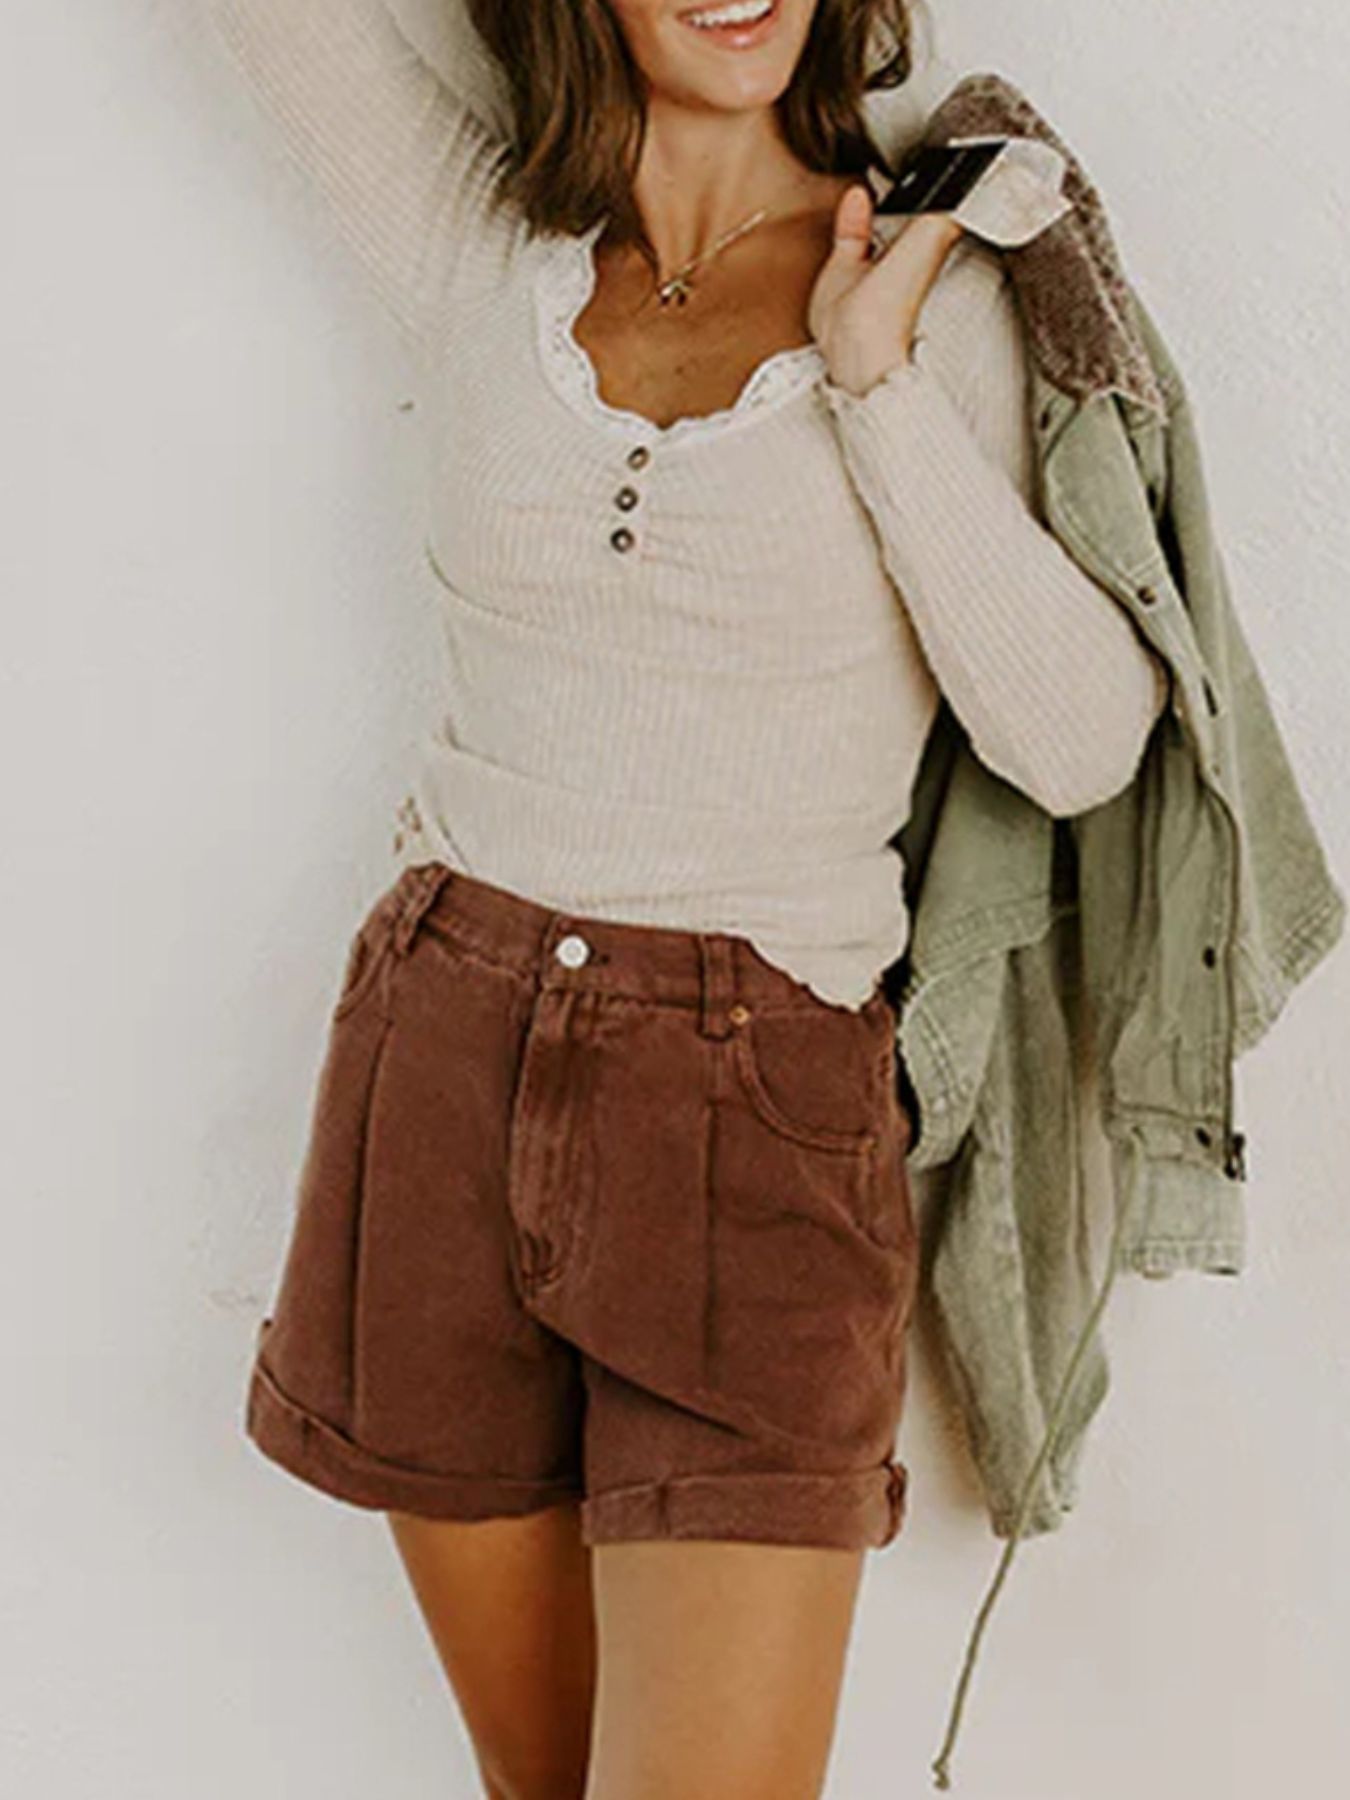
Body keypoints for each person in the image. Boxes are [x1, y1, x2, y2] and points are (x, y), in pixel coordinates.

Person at [203, 2, 1170, 1795]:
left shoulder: (932, 295)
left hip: (754, 1110)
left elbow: (1077, 741)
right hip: (441, 1054)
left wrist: (868, 376)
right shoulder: (476, 238)